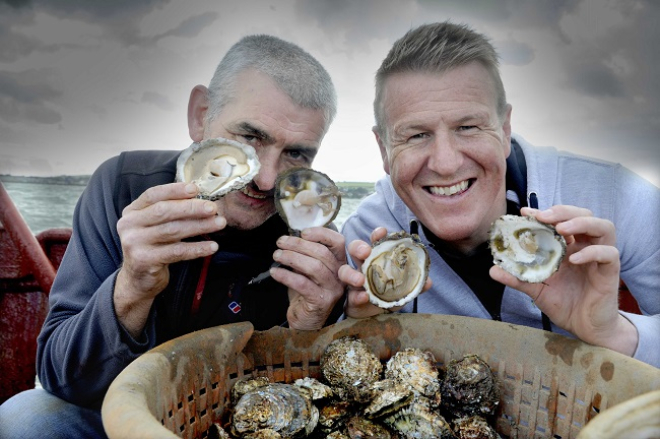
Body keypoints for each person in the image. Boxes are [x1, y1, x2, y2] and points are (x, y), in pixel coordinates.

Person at [0, 34, 346, 437]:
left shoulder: (311, 241)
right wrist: (131, 288)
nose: (267, 179)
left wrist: (309, 327)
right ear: (200, 115)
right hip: (118, 415)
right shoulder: (123, 187)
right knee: (24, 418)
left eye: (297, 154)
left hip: (235, 423)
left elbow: (313, 409)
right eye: (250, 137)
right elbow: (62, 379)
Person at [339, 21, 659, 368]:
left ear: (505, 129)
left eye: (468, 127)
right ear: (384, 149)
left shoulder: (621, 198)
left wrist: (614, 332)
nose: (446, 164)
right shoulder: (365, 238)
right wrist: (359, 329)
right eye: (416, 135)